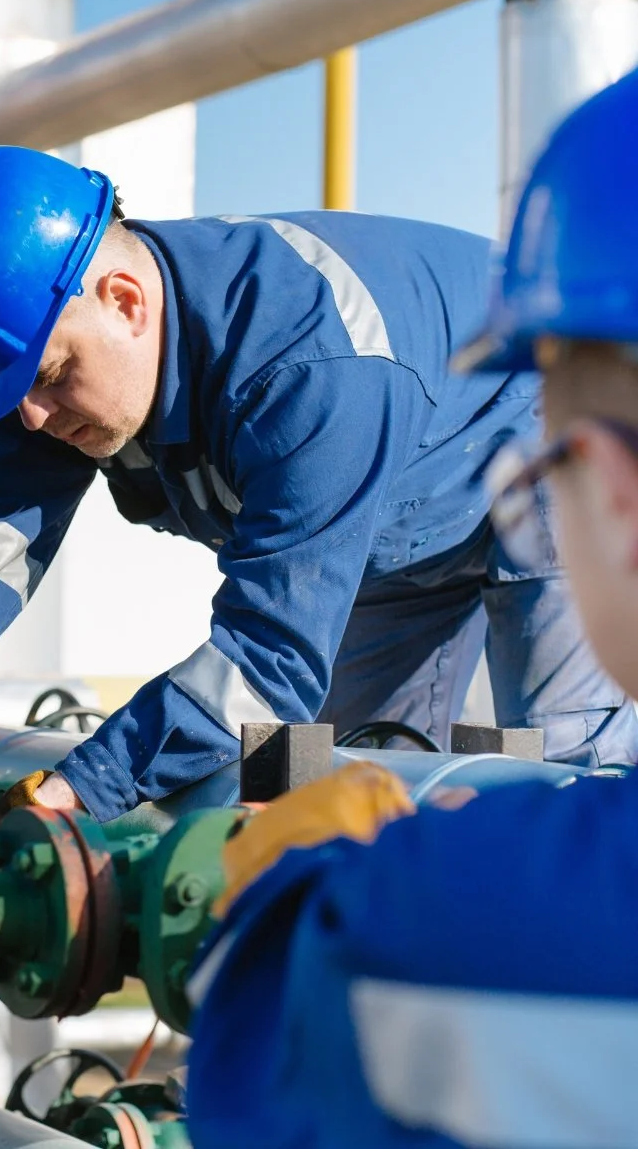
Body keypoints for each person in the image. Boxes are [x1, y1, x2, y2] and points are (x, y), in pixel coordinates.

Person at [0, 141, 637, 843]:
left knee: (564, 798)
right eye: (13, 399)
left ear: (124, 301)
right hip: (390, 528)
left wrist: (77, 793)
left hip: (544, 465)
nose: (36, 420)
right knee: (344, 794)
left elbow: (268, 662)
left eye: (50, 380)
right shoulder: (57, 350)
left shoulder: (308, 365)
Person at [184, 67, 638, 1149]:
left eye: (539, 483)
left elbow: (266, 1073)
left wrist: (289, 895)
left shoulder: (419, 935)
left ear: (616, 492)